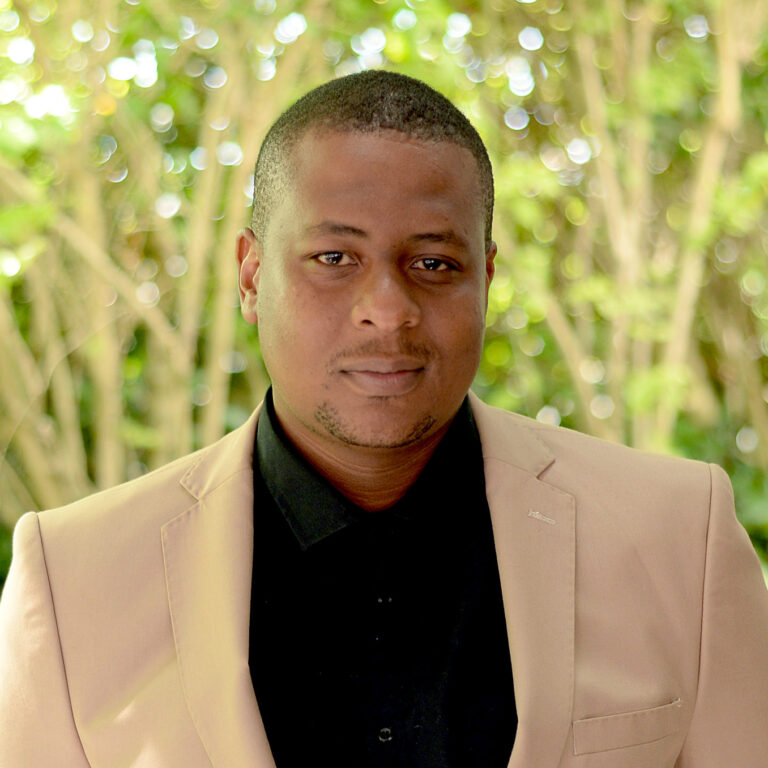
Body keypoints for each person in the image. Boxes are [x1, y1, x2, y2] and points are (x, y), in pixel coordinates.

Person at [1, 70, 767, 768]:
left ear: (486, 278)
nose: (388, 311)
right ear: (251, 276)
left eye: (433, 263)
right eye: (335, 259)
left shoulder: (678, 539)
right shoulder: (75, 580)